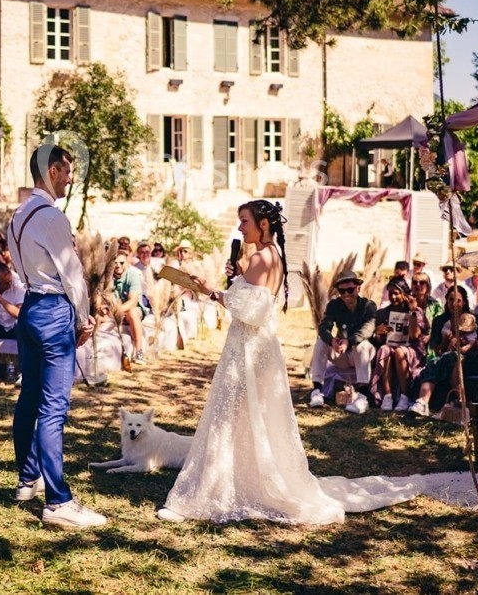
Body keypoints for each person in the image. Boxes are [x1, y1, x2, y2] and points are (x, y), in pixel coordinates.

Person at [156, 199, 423, 524]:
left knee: (232, 414)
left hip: (250, 348)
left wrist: (210, 290)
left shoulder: (262, 257)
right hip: (254, 345)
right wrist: (239, 276)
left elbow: (251, 311)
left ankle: (213, 490)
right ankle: (234, 480)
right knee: (245, 414)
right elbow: (255, 298)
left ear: (263, 224)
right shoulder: (268, 257)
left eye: (244, 221)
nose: (240, 228)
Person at [6, 144, 103, 529]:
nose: (69, 178)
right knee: (53, 406)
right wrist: (83, 319)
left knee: (29, 395)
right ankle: (58, 501)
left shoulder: (17, 215)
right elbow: (73, 276)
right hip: (52, 310)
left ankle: (27, 478)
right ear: (50, 171)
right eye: (65, 170)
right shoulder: (52, 218)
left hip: (30, 306)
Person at [408, 286, 478, 417]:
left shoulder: (473, 319)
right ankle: (423, 402)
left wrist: (467, 345)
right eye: (451, 299)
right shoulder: (440, 321)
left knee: (453, 358)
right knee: (435, 361)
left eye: (458, 300)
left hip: (470, 357)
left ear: (464, 302)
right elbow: (437, 349)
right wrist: (445, 342)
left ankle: (460, 401)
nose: (454, 304)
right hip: (447, 355)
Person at [308, 270, 377, 413]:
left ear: (358, 288)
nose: (346, 294)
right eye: (342, 291)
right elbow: (324, 327)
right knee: (321, 342)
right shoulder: (334, 305)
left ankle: (363, 397)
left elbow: (367, 330)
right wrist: (331, 340)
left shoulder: (368, 306)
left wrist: (349, 341)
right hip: (342, 354)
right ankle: (316, 391)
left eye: (350, 290)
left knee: (361, 345)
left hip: (361, 354)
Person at [372, 278, 427, 412]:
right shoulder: (384, 313)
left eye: (396, 293)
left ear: (404, 294)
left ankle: (404, 396)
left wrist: (412, 312)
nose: (393, 297)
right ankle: (388, 396)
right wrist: (379, 334)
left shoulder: (415, 311)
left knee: (399, 352)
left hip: (411, 348)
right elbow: (380, 341)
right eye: (390, 293)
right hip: (391, 345)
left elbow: (415, 335)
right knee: (384, 350)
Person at [111, 253, 147, 364]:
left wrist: (118, 310)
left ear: (127, 263)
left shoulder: (132, 274)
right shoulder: (108, 277)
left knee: (132, 312)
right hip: (114, 312)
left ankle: (139, 352)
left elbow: (133, 301)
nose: (118, 265)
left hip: (132, 310)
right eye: (115, 263)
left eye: (121, 262)